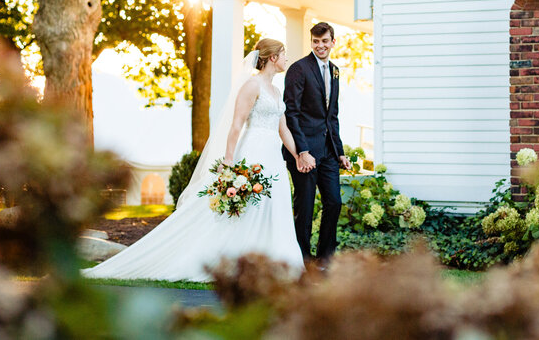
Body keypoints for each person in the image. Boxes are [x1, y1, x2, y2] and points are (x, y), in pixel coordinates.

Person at [82, 38, 304, 282]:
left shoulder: (276, 90)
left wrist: (298, 155)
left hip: (273, 156)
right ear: (272, 57)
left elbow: (284, 129)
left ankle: (274, 262)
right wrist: (230, 162)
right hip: (252, 153)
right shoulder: (252, 86)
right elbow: (236, 125)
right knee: (249, 209)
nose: (286, 58)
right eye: (284, 54)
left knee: (273, 206)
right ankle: (237, 260)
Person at [282, 22, 351, 264]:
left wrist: (340, 152)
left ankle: (325, 259)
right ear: (311, 42)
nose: (319, 45)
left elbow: (332, 115)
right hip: (304, 152)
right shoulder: (298, 69)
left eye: (324, 41)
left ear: (333, 42)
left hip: (329, 153)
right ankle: (302, 259)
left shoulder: (335, 70)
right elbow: (292, 112)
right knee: (306, 207)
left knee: (334, 202)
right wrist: (302, 151)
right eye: (315, 41)